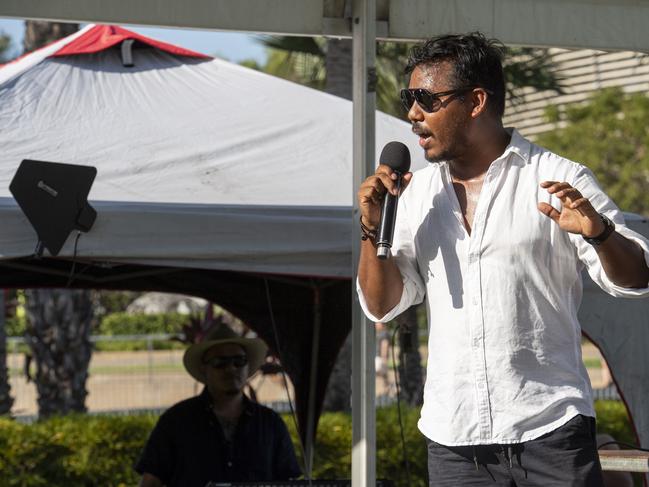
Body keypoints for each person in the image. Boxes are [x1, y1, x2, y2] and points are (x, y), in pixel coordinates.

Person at [356, 32, 649, 486]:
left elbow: (637, 279)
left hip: (550, 431)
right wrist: (372, 228)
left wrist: (601, 232)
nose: (412, 114)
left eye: (426, 99)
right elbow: (382, 306)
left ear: (475, 101)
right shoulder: (415, 198)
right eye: (408, 99)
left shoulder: (557, 177)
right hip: (455, 439)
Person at [135, 325, 301, 487]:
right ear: (204, 368)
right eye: (219, 362)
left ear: (248, 366)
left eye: (239, 361)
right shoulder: (176, 421)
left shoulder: (270, 423)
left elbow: (289, 482)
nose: (231, 368)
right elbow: (150, 481)